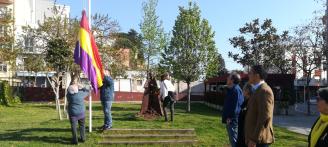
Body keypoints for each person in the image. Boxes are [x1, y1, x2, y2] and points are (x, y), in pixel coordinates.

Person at [244, 65, 274, 147]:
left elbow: (264, 117)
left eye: (250, 73)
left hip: (259, 141)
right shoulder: (257, 90)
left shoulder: (264, 91)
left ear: (257, 76)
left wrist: (254, 139)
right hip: (254, 139)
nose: (248, 75)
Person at [222, 72, 244, 147]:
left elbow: (236, 106)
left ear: (232, 80)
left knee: (234, 139)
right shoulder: (233, 89)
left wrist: (230, 117)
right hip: (231, 119)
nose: (227, 78)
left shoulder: (236, 90)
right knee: (232, 138)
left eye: (229, 77)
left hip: (232, 119)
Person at [67, 75, 90, 145]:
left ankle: (75, 140)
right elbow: (88, 90)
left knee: (73, 127)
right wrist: (82, 86)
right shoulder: (81, 94)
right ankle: (83, 138)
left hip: (72, 113)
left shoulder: (68, 94)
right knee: (82, 126)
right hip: (81, 112)